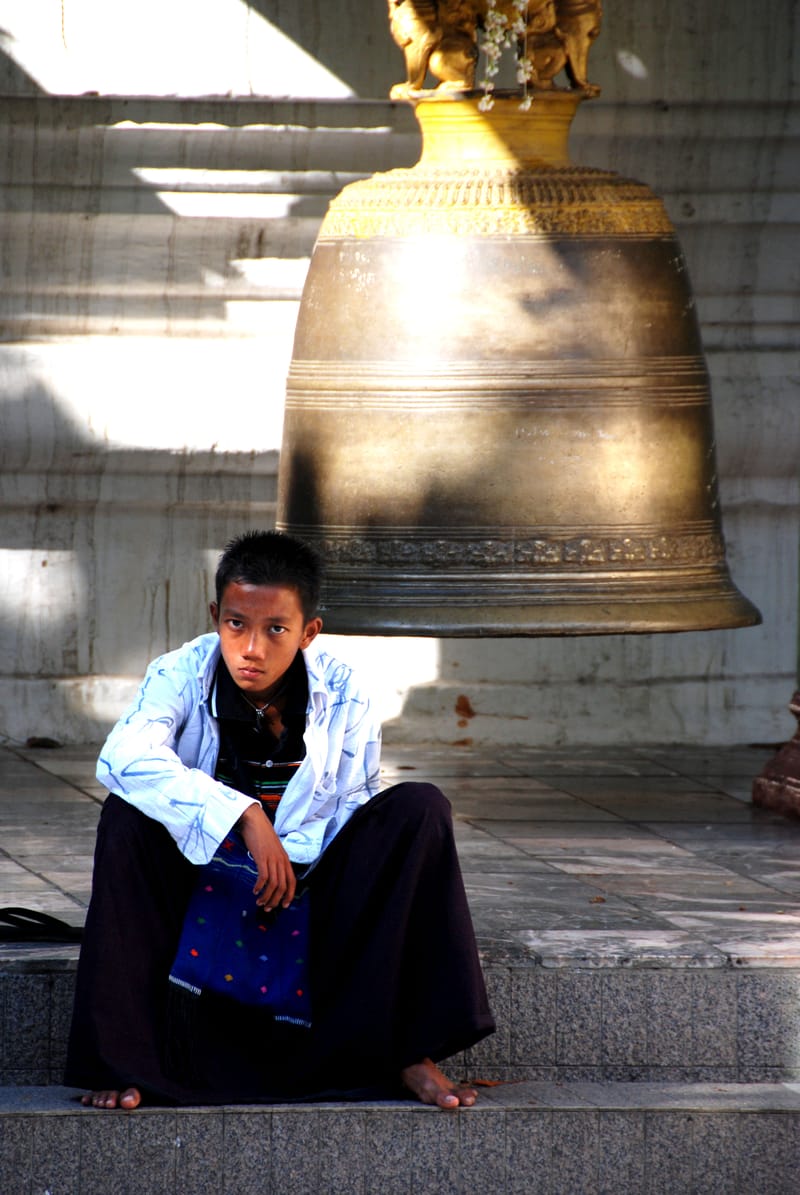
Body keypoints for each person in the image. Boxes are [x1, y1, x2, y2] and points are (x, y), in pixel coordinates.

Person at [65, 530, 494, 1110]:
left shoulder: (343, 690)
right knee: (125, 817)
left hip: (306, 888)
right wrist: (243, 816)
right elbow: (123, 756)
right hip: (203, 880)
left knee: (419, 810)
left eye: (276, 630)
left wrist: (288, 860)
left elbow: (353, 802)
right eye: (237, 624)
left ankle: (403, 1052)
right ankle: (127, 1062)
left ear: (308, 632)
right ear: (216, 615)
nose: (251, 649)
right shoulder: (180, 673)